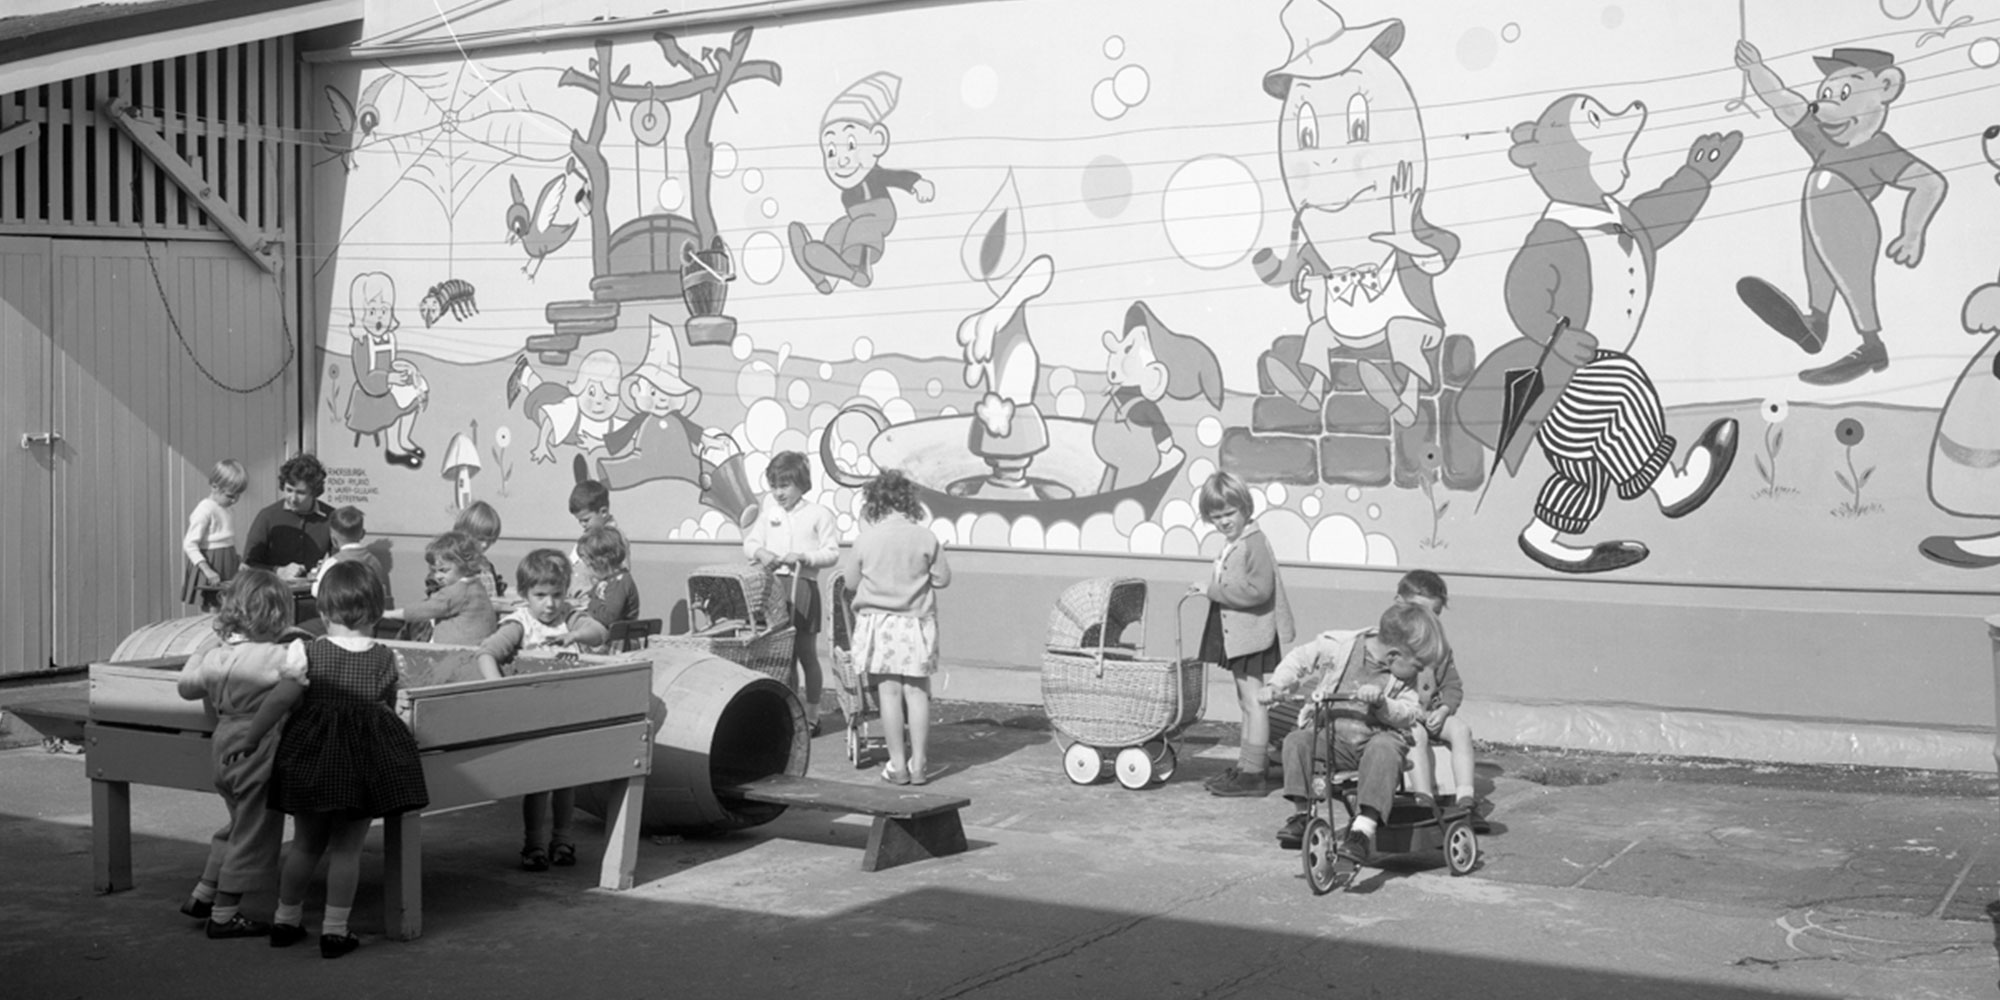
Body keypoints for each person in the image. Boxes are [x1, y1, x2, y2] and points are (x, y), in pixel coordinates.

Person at [233, 561, 428, 958]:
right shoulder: (389, 659)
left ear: (323, 613)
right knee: (347, 849)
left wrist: (253, 737)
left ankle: (286, 920)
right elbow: (390, 708)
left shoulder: (306, 651)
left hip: (311, 761)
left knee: (305, 844)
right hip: (361, 768)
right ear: (376, 611)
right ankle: (335, 931)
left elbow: (282, 698)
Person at [1261, 602, 1446, 888]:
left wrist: (1383, 703)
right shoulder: (1341, 645)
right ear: (1395, 654)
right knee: (1297, 741)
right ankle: (1302, 815)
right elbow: (1300, 658)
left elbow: (1410, 712)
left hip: (1374, 742)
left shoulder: (1402, 679)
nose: (1420, 673)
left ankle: (1362, 830)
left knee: (1385, 747)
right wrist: (1277, 685)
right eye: (1418, 666)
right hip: (1333, 739)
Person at [174, 569, 295, 939]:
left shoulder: (215, 659)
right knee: (255, 833)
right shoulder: (278, 655)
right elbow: (305, 675)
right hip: (257, 748)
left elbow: (186, 688)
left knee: (238, 824)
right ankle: (225, 916)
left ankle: (204, 892)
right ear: (276, 615)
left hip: (223, 743)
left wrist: (204, 648)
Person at [475, 549, 608, 870]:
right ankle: (533, 845)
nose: (549, 604)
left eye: (557, 594)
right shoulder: (520, 623)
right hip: (534, 714)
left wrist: (575, 634)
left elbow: (601, 633)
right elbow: (486, 653)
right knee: (537, 785)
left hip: (568, 712)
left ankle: (562, 840)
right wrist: (501, 689)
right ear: (524, 594)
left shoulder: (569, 617)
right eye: (540, 595)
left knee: (567, 781)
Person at [837, 470, 950, 785]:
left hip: (879, 625)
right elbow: (942, 579)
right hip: (916, 623)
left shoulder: (866, 540)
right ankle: (920, 764)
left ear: (875, 503)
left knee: (889, 693)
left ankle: (897, 764)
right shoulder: (926, 537)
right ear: (908, 502)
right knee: (917, 693)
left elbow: (850, 582)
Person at [1192, 470, 1295, 797]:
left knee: (1254, 702)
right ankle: (1248, 765)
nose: (1223, 521)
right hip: (1239, 632)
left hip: (1251, 633)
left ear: (1245, 509)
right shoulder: (1238, 541)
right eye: (1216, 516)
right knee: (1246, 700)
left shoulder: (1254, 543)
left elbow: (1259, 591)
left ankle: (1253, 774)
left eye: (1229, 513)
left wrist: (1212, 590)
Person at [742, 451, 840, 734]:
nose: (778, 492)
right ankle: (786, 710)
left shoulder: (819, 514)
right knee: (781, 656)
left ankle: (812, 715)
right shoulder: (769, 511)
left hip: (803, 586)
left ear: (801, 483)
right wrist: (761, 553)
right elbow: (750, 543)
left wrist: (805, 557)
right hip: (773, 589)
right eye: (774, 485)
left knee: (805, 653)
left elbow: (831, 552)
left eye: (784, 485)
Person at [1394, 570, 1479, 817]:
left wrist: (1443, 711)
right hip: (1402, 715)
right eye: (1421, 612)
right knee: (1416, 735)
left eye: (1436, 615)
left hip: (1431, 713)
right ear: (1400, 603)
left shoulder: (1439, 646)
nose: (1429, 621)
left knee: (1460, 730)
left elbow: (1453, 686)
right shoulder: (1390, 643)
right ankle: (1424, 799)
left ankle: (1465, 798)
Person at [384, 532, 500, 647]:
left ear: (464, 565)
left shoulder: (458, 591)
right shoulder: (476, 585)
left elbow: (420, 611)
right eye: (434, 571)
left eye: (443, 570)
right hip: (475, 651)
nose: (437, 576)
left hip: (455, 656)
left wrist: (387, 614)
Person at [242, 453, 334, 579]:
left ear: (314, 492)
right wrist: (278, 571)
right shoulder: (267, 516)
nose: (293, 498)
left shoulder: (331, 517)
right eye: (289, 490)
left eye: (301, 493)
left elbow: (342, 560)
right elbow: (248, 565)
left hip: (313, 593)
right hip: (274, 592)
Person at [181, 459, 248, 611]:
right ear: (214, 486)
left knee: (229, 604)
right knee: (212, 607)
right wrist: (207, 569)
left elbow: (228, 537)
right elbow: (189, 544)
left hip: (228, 559)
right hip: (210, 561)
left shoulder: (227, 509)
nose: (234, 500)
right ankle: (211, 634)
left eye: (238, 496)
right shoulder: (205, 509)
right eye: (230, 495)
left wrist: (238, 558)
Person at [311, 506, 391, 607]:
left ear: (333, 539)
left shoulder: (333, 562)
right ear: (362, 534)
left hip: (342, 612)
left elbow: (317, 591)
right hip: (369, 613)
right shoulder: (374, 561)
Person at [578, 526, 639, 652]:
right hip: (611, 639)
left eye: (588, 564)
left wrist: (589, 605)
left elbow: (609, 616)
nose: (587, 568)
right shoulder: (608, 580)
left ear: (601, 562)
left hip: (618, 643)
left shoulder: (619, 582)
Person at [567, 479, 616, 596]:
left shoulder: (613, 539)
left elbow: (619, 574)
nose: (582, 524)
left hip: (593, 599)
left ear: (603, 512)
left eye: (586, 520)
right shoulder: (588, 535)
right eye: (579, 521)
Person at [450, 499, 507, 598]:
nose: (485, 544)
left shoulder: (485, 565)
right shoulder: (455, 565)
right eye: (480, 539)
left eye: (490, 540)